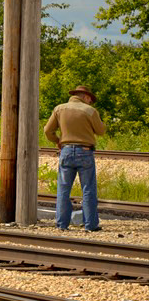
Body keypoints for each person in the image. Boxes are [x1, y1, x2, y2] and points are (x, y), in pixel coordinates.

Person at [44, 85, 106, 232]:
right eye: (90, 100)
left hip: (65, 151)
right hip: (85, 152)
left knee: (63, 190)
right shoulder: (90, 111)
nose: (90, 103)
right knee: (88, 189)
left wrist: (57, 141)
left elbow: (47, 130)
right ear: (85, 97)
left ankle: (61, 225)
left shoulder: (59, 109)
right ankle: (90, 225)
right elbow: (101, 131)